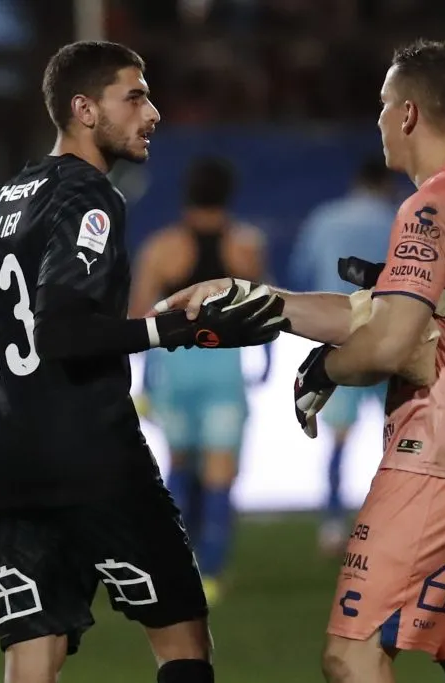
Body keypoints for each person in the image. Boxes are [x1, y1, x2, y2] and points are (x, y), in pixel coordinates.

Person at [157, 39, 445, 683]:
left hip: (438, 460)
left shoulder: (430, 204)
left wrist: (324, 369)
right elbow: (388, 316)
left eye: (384, 105)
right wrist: (258, 299)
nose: (379, 119)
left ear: (409, 113)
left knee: (352, 654)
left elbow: (387, 345)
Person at [0, 41, 287, 683]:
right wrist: (175, 328)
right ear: (85, 109)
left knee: (33, 657)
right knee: (183, 640)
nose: (154, 112)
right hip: (88, 452)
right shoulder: (89, 196)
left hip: (8, 457)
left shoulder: (6, 199)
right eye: (135, 96)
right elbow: (63, 331)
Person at [130, 155, 266, 603]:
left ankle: (178, 563)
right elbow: (269, 312)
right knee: (220, 473)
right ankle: (210, 572)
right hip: (223, 373)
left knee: (180, 469)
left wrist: (145, 384)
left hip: (174, 373)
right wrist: (263, 364)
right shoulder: (246, 247)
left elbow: (139, 321)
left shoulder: (161, 248)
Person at [290, 156, 398, 556]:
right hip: (390, 338)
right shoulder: (398, 217)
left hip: (338, 336)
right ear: (384, 184)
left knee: (337, 438)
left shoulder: (325, 218)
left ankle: (333, 524)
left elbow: (302, 273)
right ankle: (391, 521)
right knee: (398, 434)